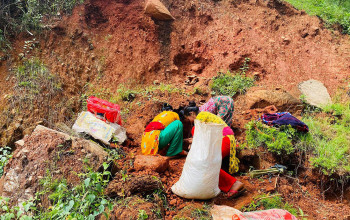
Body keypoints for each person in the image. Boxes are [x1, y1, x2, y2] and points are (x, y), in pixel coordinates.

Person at [189, 111, 245, 198]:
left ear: (191, 114)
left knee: (208, 164)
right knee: (208, 163)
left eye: (188, 118)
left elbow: (200, 139)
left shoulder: (200, 118)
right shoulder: (205, 116)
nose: (190, 121)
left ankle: (234, 184)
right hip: (226, 139)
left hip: (224, 140)